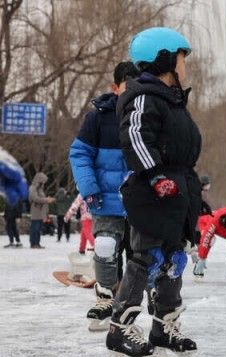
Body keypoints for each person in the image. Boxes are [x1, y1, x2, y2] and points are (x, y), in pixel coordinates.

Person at [107, 27, 202, 357]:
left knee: (173, 259)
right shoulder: (144, 95)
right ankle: (120, 329)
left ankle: (164, 329)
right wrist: (155, 174)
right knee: (145, 257)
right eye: (181, 58)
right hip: (153, 189)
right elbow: (135, 137)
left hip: (178, 190)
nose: (185, 66)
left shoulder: (172, 100)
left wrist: (194, 197)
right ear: (163, 58)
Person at [69, 61, 139, 331]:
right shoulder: (98, 117)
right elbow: (79, 154)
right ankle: (105, 298)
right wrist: (89, 188)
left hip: (139, 203)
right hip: (106, 200)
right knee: (106, 247)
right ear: (115, 87)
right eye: (127, 87)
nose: (132, 92)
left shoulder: (148, 115)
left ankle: (135, 303)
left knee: (141, 256)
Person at [1, 146, 28, 248]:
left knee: (12, 227)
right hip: (9, 213)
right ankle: (14, 241)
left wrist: (19, 215)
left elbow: (18, 203)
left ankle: (16, 241)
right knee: (10, 227)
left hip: (12, 213)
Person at [28, 172, 54, 249]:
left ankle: (37, 243)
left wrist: (47, 199)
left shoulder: (40, 189)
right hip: (35, 211)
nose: (44, 183)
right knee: (35, 228)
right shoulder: (33, 188)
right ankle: (33, 244)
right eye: (43, 181)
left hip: (41, 212)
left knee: (38, 228)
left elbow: (41, 198)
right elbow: (35, 198)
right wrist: (46, 200)